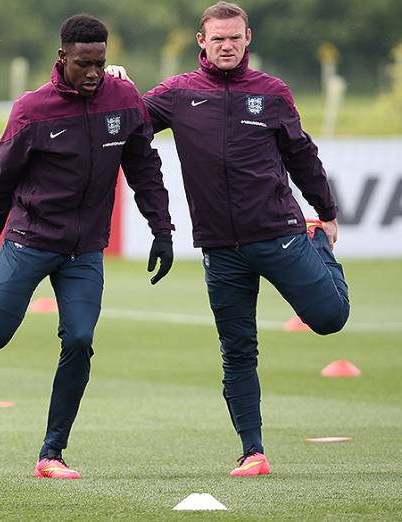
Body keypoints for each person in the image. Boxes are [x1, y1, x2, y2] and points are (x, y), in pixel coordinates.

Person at [106, 1, 350, 476]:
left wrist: (327, 213)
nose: (226, 46)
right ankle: (252, 451)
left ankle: (317, 243)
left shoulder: (273, 93)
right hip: (220, 248)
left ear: (248, 38)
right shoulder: (178, 93)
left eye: (234, 38)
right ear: (202, 41)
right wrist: (116, 88)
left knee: (330, 319)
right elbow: (131, 123)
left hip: (280, 235)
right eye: (217, 38)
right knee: (237, 350)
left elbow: (302, 156)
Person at [0, 14, 175, 480]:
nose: (93, 73)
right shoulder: (32, 111)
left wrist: (163, 230)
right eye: (83, 64)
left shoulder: (125, 99)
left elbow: (145, 168)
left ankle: (52, 453)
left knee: (81, 339)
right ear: (62, 58)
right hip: (30, 239)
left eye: (100, 63)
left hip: (85, 250)